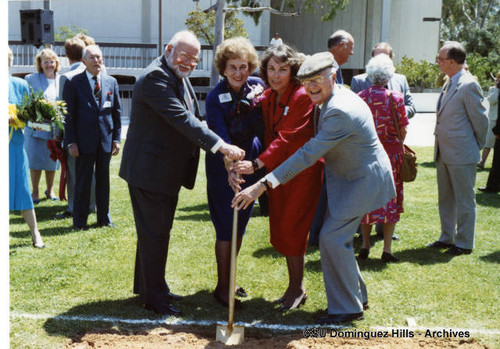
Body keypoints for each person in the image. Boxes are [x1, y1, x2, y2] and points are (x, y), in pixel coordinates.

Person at [232, 52, 395, 324]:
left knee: (331, 238)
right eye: (307, 82)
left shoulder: (339, 110)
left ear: (333, 76)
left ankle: (347, 308)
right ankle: (357, 298)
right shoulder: (331, 98)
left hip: (363, 182)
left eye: (318, 80)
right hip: (352, 180)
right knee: (335, 238)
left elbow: (307, 154)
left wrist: (262, 184)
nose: (311, 87)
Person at [118, 30, 245, 316]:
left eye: (194, 59)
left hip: (162, 172)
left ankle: (149, 287)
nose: (188, 62)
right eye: (184, 56)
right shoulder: (156, 77)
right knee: (156, 234)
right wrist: (221, 145)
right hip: (150, 171)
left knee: (153, 233)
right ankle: (155, 297)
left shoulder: (175, 75)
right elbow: (182, 119)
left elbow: (193, 117)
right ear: (169, 49)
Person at [232, 44, 323, 311]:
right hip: (278, 173)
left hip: (301, 172)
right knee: (283, 228)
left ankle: (298, 287)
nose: (276, 74)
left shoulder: (301, 96)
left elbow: (286, 138)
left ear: (293, 70)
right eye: (271, 68)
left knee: (294, 229)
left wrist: (257, 163)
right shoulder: (269, 96)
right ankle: (294, 286)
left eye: (283, 69)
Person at [205, 37, 265, 307]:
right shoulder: (215, 96)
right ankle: (222, 288)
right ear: (223, 69)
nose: (239, 73)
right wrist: (229, 167)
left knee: (239, 225)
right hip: (223, 165)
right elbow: (219, 134)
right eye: (233, 67)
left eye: (243, 66)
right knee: (225, 228)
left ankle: (230, 280)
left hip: (251, 162)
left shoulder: (258, 87)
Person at [427, 41, 488, 256]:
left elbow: (481, 121)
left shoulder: (469, 84)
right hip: (444, 151)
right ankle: (447, 237)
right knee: (446, 198)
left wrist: (475, 145)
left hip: (462, 152)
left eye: (441, 59)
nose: (438, 62)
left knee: (464, 199)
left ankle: (464, 242)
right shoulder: (450, 81)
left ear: (452, 61)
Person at [357, 54, 409, 262]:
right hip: (391, 155)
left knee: (365, 198)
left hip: (367, 155)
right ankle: (387, 249)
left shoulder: (360, 97)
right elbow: (403, 129)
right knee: (391, 200)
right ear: (389, 76)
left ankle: (365, 244)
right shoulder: (395, 97)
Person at [63, 45, 122, 230]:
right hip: (82, 142)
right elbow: (68, 115)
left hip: (105, 140)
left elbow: (117, 113)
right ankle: (79, 221)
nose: (97, 61)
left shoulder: (111, 82)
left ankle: (104, 219)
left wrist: (117, 139)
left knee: (103, 181)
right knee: (83, 182)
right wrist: (71, 141)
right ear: (83, 62)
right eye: (92, 57)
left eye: (99, 57)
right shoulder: (73, 82)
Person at [309, 29, 355, 246]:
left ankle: (320, 232)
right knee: (325, 188)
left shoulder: (334, 68)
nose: (352, 53)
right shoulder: (324, 69)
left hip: (330, 139)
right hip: (325, 140)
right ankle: (317, 234)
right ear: (340, 46)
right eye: (351, 47)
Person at [55, 36, 97, 219]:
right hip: (94, 132)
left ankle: (73, 206)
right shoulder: (94, 73)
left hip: (75, 133)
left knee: (73, 171)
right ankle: (92, 203)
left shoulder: (67, 77)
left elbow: (62, 108)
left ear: (66, 54)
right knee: (92, 171)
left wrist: (57, 134)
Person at [8, 48, 45, 248]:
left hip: (14, 146)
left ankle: (35, 233)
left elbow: (32, 117)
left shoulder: (20, 84)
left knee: (22, 190)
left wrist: (19, 119)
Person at [24, 48, 62, 204]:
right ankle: (34, 192)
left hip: (55, 130)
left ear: (56, 63)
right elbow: (26, 102)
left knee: (51, 161)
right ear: (40, 63)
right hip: (36, 128)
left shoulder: (62, 79)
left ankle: (50, 190)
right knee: (35, 161)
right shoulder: (31, 78)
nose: (49, 65)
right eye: (45, 61)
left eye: (52, 61)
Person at [351, 42, 416, 119]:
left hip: (394, 129)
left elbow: (411, 107)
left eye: (385, 56)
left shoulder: (401, 79)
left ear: (391, 58)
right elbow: (353, 109)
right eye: (377, 56)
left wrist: (398, 112)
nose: (380, 60)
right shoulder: (358, 81)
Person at [479, 74, 500, 193]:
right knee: (488, 143)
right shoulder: (493, 90)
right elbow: (492, 100)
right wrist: (497, 89)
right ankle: (482, 162)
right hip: (494, 121)